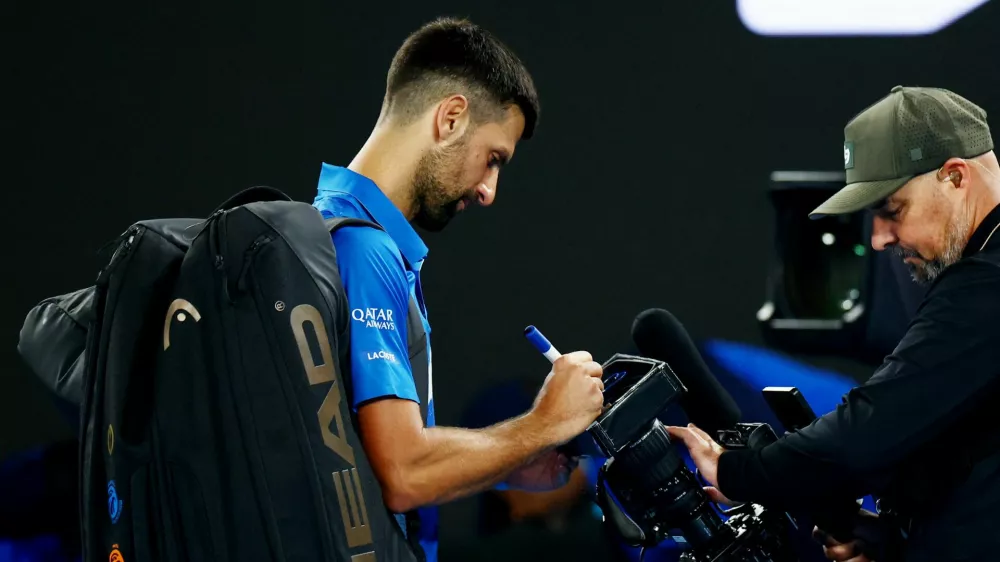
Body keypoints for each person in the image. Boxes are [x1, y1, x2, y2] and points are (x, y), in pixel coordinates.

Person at [311, 17, 605, 562]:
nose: (490, 190)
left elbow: (365, 459)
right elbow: (402, 474)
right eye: (494, 158)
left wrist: (510, 460)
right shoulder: (364, 250)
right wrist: (540, 425)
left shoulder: (331, 228)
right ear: (450, 118)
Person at [666, 85, 1000, 562]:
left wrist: (735, 472)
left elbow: (865, 435)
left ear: (954, 176)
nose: (881, 239)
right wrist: (899, 537)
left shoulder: (985, 281)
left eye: (891, 211)